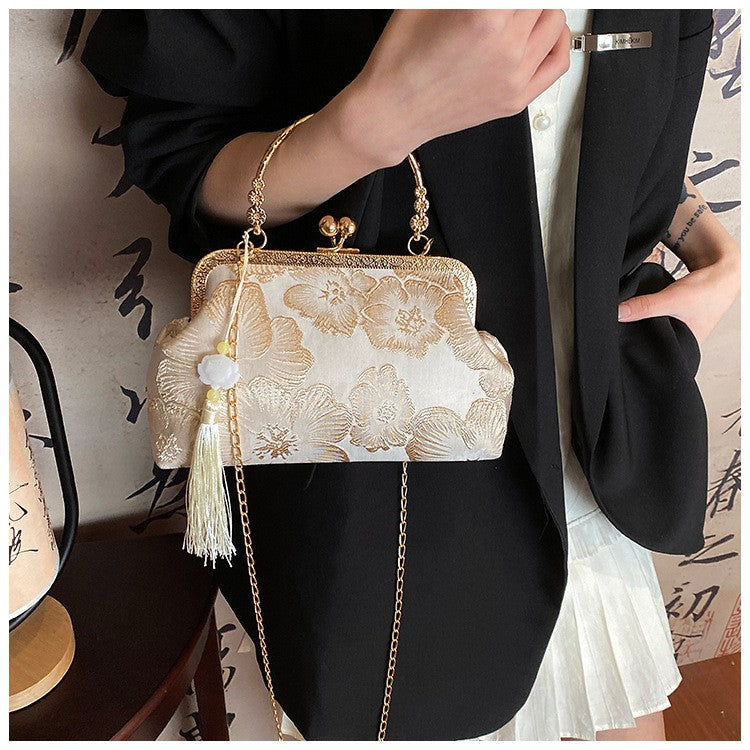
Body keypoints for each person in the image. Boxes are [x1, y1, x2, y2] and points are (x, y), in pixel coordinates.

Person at [81, 9, 739, 741]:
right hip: (390, 493)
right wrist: (375, 123)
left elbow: (588, 126)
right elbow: (183, 152)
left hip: (593, 466)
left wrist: (711, 244)